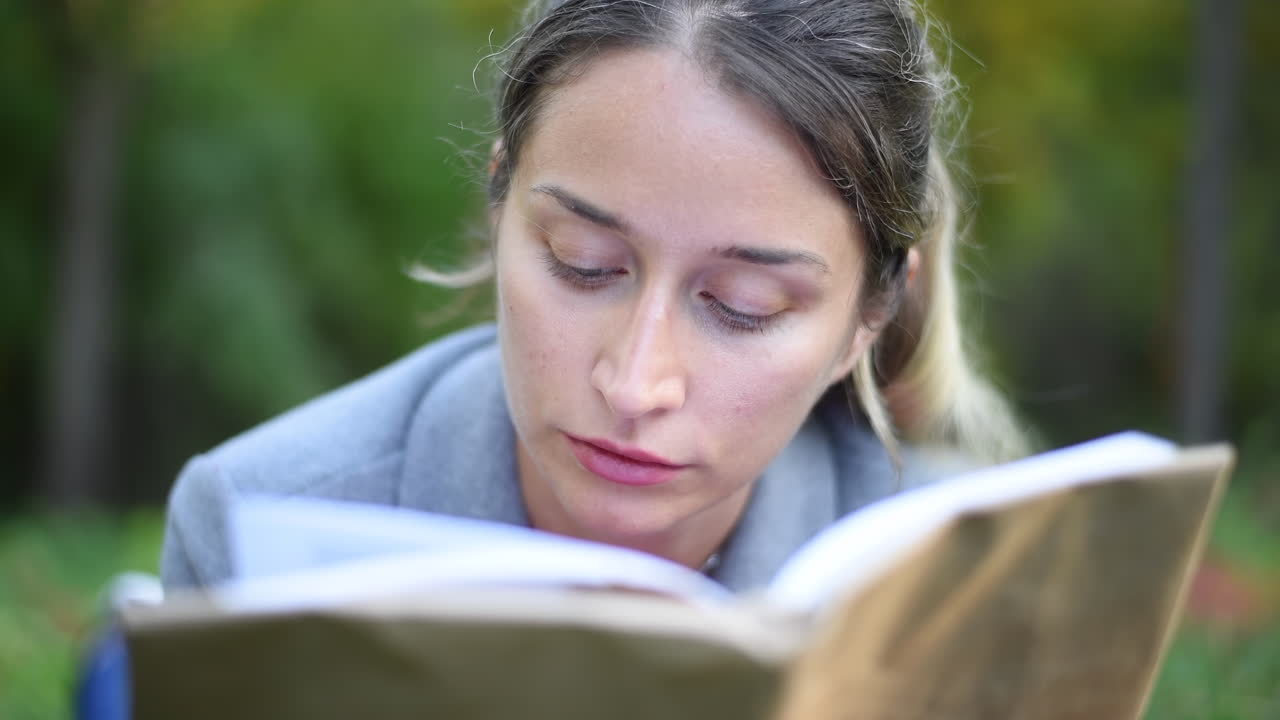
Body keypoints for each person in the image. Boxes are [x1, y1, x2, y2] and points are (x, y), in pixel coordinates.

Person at [161, 0, 1027, 592]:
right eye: (583, 263)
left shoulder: (962, 576)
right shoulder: (257, 530)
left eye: (742, 304)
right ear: (500, 204)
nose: (635, 381)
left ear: (865, 321)